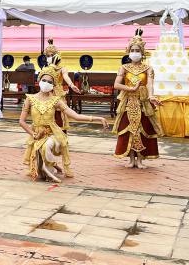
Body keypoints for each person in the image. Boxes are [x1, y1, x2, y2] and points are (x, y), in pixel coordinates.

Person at [20, 66, 108, 182]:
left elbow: (75, 116)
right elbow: (21, 121)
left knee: (47, 146)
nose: (46, 83)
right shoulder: (30, 99)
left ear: (53, 85)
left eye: (49, 82)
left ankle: (49, 170)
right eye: (44, 80)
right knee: (40, 174)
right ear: (39, 81)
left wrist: (97, 118)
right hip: (36, 134)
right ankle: (47, 168)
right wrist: (33, 134)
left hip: (52, 133)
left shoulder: (56, 101)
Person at [113, 29, 163, 168]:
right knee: (129, 130)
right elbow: (116, 84)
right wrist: (130, 89)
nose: (134, 52)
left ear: (142, 53)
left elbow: (150, 85)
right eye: (132, 49)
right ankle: (130, 159)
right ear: (129, 51)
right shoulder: (124, 67)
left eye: (137, 50)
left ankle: (140, 159)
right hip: (128, 102)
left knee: (141, 130)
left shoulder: (148, 68)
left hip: (142, 102)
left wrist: (152, 97)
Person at [44, 38, 81, 135]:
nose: (49, 57)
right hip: (47, 92)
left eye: (51, 55)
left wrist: (71, 85)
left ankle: (61, 134)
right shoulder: (45, 68)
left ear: (56, 56)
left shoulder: (62, 68)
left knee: (59, 113)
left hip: (57, 93)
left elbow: (66, 77)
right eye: (47, 56)